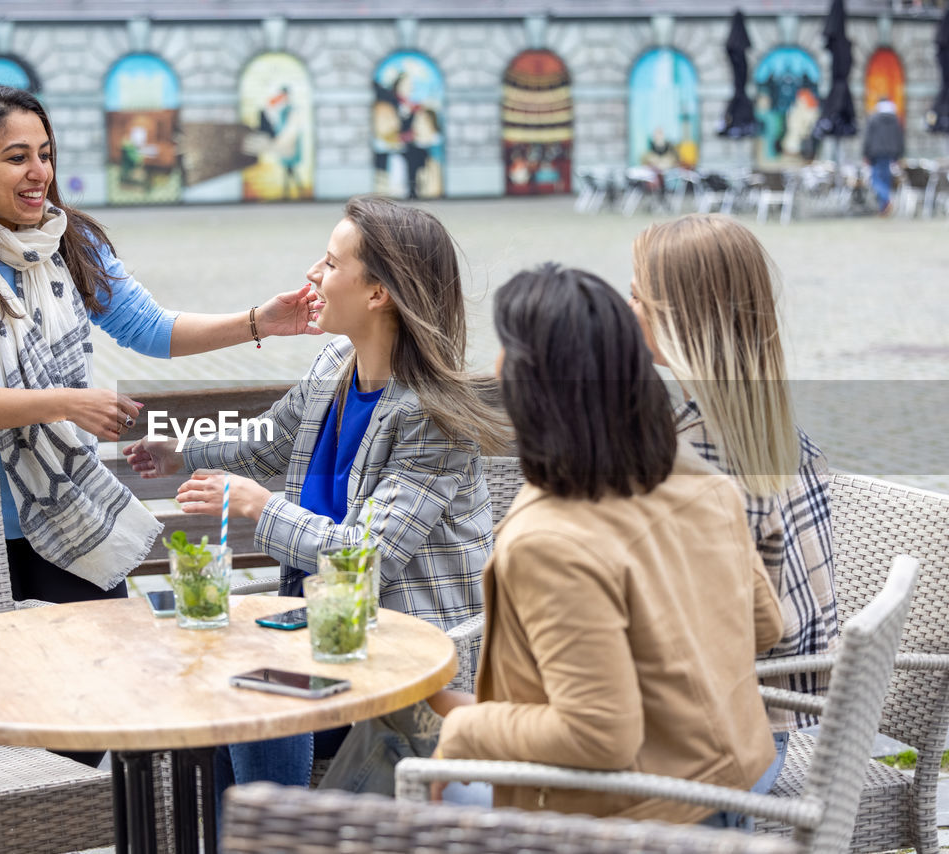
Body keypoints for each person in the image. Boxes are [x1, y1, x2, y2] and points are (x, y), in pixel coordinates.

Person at [0, 83, 321, 609]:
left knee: (103, 664)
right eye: (16, 158)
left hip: (63, 496)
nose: (39, 171)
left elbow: (150, 328)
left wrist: (258, 322)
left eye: (45, 155)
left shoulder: (70, 242)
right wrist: (66, 403)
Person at [124, 195, 507, 794]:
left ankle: (272, 834)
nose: (312, 274)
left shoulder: (430, 418)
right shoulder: (336, 361)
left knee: (258, 702)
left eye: (329, 264)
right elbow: (273, 437)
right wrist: (182, 450)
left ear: (378, 293)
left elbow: (368, 556)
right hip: (320, 638)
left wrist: (260, 506)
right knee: (219, 698)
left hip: (401, 661)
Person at [432, 263, 783, 827]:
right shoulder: (702, 479)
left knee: (386, 784)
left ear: (524, 381)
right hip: (738, 776)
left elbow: (599, 734)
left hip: (644, 813)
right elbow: (765, 626)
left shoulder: (550, 541)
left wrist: (464, 726)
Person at [629, 213, 838, 791]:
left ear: (678, 321)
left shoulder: (695, 460)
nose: (628, 314)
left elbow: (676, 641)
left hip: (724, 744)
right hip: (784, 716)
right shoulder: (782, 435)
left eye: (636, 298)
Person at [863, 97, 904, 214]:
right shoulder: (895, 119)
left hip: (875, 153)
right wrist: (899, 154)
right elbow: (900, 138)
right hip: (890, 153)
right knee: (885, 180)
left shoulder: (874, 119)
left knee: (875, 179)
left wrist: (866, 153)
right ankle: (883, 208)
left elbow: (868, 138)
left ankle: (886, 200)